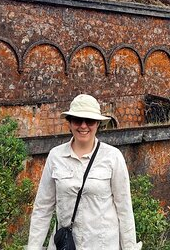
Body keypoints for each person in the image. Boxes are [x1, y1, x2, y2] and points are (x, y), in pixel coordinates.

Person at [26, 94, 142, 250]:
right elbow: (43, 208)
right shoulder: (56, 156)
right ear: (70, 122)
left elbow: (124, 209)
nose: (83, 126)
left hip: (102, 245)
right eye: (77, 120)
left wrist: (129, 247)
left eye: (89, 121)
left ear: (98, 124)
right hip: (66, 245)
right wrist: (34, 247)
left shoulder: (112, 157)